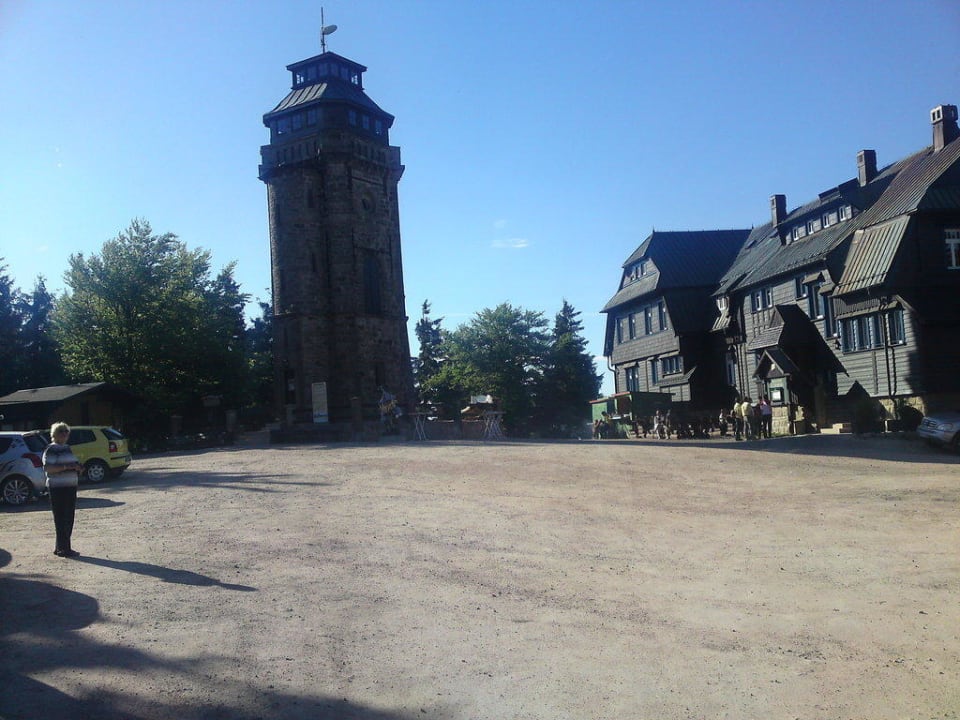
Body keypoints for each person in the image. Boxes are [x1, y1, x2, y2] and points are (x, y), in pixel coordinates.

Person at [43, 421, 83, 558]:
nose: (65, 434)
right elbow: (49, 468)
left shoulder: (67, 448)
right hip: (57, 488)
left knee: (69, 517)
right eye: (62, 432)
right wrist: (67, 467)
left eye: (67, 432)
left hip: (70, 486)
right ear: (55, 434)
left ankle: (60, 547)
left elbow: (73, 463)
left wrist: (78, 467)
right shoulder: (52, 449)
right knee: (61, 518)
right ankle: (64, 549)